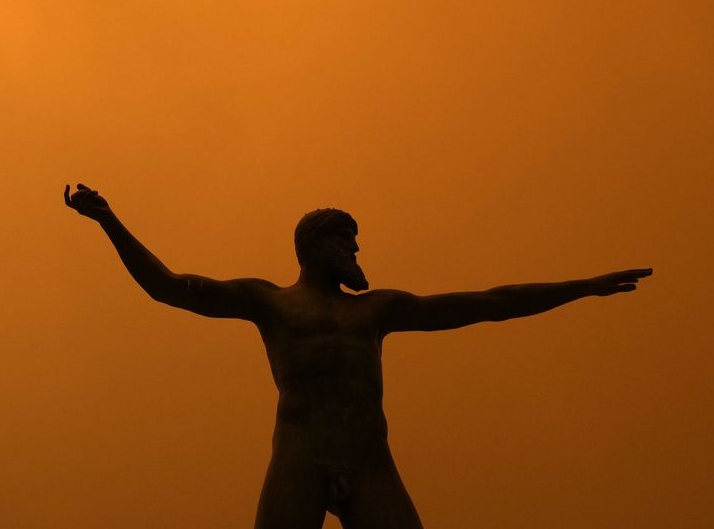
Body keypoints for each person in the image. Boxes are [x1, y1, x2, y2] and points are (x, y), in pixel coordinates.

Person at [63, 183, 651, 529]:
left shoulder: (376, 310)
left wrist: (581, 286)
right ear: (315, 246)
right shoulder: (268, 301)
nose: (356, 248)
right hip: (302, 458)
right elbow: (166, 286)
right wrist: (108, 218)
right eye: (345, 239)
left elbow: (488, 303)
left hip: (371, 463)